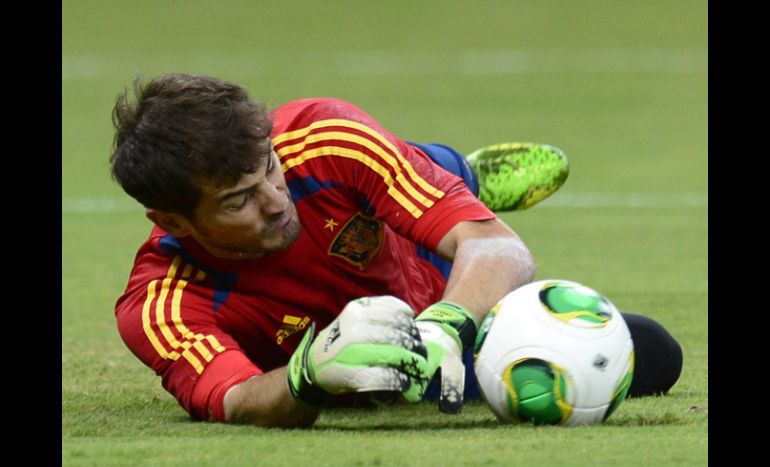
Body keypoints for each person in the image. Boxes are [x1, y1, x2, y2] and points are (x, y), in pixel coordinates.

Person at [110, 73, 682, 428]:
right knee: (650, 353)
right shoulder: (161, 302)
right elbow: (234, 399)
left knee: (421, 191)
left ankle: (455, 175)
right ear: (172, 220)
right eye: (239, 201)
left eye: (269, 169)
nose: (275, 202)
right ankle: (445, 184)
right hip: (381, 355)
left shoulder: (320, 139)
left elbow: (497, 248)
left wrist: (447, 323)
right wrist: (310, 375)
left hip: (432, 271)